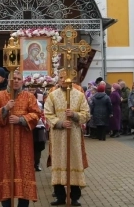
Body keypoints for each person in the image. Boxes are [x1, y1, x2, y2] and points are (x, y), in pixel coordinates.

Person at [0, 70, 41, 207]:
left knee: (24, 171)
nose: (16, 81)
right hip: (4, 141)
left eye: (19, 78)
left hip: (23, 141)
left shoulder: (29, 97)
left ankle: (23, 204)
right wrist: (5, 109)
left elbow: (36, 114)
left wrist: (21, 119)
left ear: (22, 81)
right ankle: (6, 203)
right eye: (14, 79)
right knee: (5, 171)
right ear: (8, 80)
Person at [44, 73, 90, 207]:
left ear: (72, 79)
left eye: (66, 78)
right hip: (58, 136)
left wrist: (75, 115)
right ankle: (60, 196)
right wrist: (60, 123)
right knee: (58, 162)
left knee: (74, 162)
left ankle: (75, 197)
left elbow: (86, 114)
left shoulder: (79, 95)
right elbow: (47, 113)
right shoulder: (52, 95)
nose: (64, 80)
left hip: (73, 135)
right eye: (61, 78)